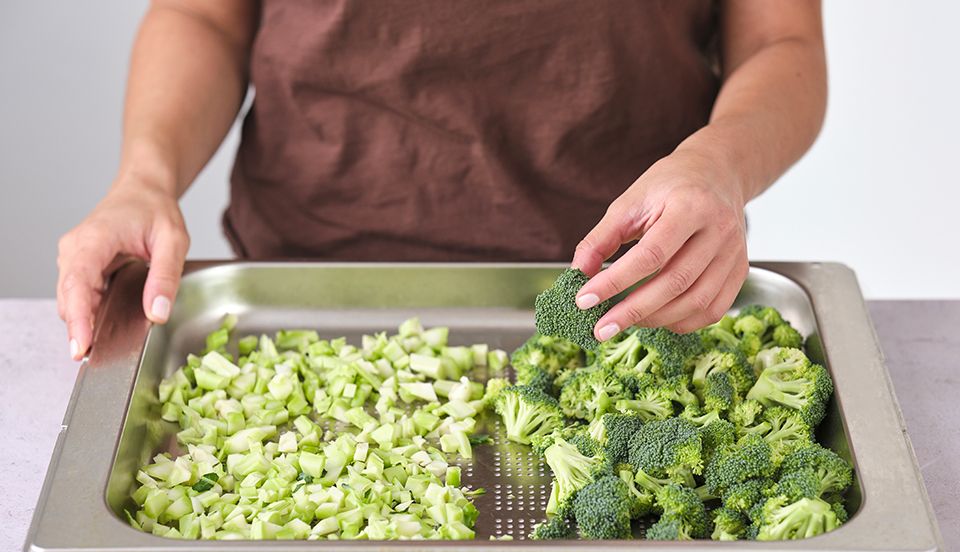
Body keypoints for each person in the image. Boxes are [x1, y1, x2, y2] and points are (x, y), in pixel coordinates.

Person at [56, 0, 826, 360]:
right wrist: (145, 177)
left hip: (632, 294)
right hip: (298, 288)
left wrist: (719, 166)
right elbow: (204, 16)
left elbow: (781, 40)